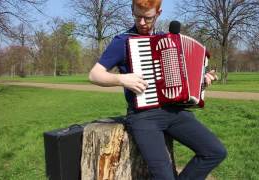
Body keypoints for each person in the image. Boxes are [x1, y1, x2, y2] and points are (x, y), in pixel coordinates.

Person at [89, 0, 227, 179]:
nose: (142, 23)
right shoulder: (122, 41)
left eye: (148, 18)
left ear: (158, 13)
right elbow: (94, 75)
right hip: (143, 116)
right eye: (137, 16)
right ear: (132, 10)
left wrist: (202, 80)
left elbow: (181, 79)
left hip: (173, 111)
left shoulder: (167, 41)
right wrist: (122, 79)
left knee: (215, 151)